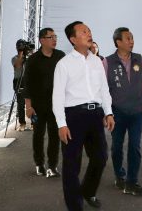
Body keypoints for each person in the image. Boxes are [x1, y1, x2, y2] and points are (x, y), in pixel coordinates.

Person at [53, 21, 115, 210]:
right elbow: (57, 96)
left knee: (100, 157)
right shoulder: (64, 64)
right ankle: (75, 206)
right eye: (83, 31)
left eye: (88, 30)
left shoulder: (96, 61)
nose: (89, 33)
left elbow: (104, 90)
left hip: (95, 115)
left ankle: (87, 191)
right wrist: (61, 124)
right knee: (72, 164)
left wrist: (108, 112)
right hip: (74, 116)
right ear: (73, 39)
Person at [103, 27, 142, 197]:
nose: (131, 41)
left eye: (132, 38)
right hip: (117, 112)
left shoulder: (139, 59)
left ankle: (132, 182)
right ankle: (119, 175)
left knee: (135, 146)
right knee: (117, 147)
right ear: (118, 42)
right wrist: (106, 113)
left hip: (137, 110)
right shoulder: (107, 62)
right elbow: (103, 90)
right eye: (128, 38)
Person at [24, 28, 66, 177]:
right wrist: (28, 107)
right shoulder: (33, 60)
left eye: (55, 36)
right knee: (38, 135)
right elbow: (27, 84)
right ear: (42, 40)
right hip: (38, 105)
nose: (54, 39)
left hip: (56, 104)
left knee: (55, 135)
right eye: (50, 37)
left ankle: (52, 166)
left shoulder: (61, 56)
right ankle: (39, 164)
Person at [11, 40, 29, 131]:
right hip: (18, 81)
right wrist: (21, 54)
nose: (21, 48)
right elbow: (18, 65)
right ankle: (22, 123)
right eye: (19, 46)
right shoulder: (14, 58)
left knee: (32, 103)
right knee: (21, 104)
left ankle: (34, 123)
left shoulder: (29, 58)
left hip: (28, 81)